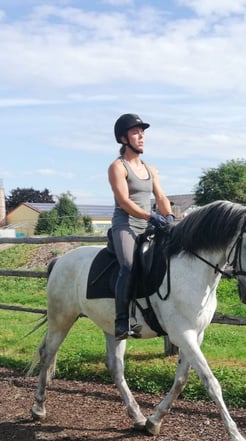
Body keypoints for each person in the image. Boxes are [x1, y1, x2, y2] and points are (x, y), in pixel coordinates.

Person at [108, 113, 175, 340]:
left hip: (148, 224)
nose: (141, 136)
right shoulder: (118, 167)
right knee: (128, 265)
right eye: (136, 132)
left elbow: (162, 197)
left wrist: (169, 216)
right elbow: (124, 202)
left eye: (142, 132)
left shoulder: (151, 168)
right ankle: (120, 321)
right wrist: (151, 216)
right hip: (125, 225)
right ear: (123, 139)